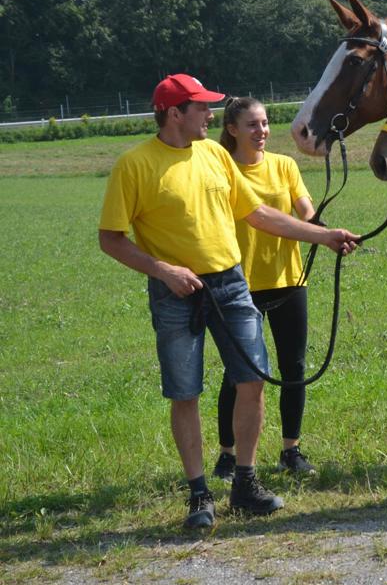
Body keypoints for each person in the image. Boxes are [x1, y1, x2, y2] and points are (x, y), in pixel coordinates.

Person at [98, 74, 359, 529]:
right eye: (201, 107)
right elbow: (111, 238)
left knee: (252, 379)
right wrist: (163, 270)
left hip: (231, 285)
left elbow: (257, 213)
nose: (211, 115)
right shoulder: (134, 165)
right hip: (176, 292)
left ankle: (244, 483)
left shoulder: (216, 155)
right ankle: (199, 494)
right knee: (186, 392)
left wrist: (326, 235)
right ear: (174, 112)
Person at [213, 96, 317, 479]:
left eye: (265, 123)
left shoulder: (284, 165)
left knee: (295, 367)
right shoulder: (223, 171)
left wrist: (318, 225)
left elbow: (304, 207)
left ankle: (291, 450)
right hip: (240, 284)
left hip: (289, 280)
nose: (262, 131)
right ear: (233, 129)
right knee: (239, 374)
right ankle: (228, 454)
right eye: (253, 124)